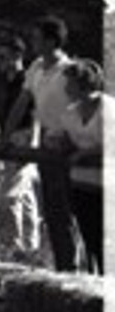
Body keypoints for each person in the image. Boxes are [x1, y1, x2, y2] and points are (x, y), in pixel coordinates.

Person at [4, 16, 77, 271]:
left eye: (37, 38)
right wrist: (5, 135)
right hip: (46, 143)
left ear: (51, 40)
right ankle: (62, 269)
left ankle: (75, 270)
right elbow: (22, 102)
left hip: (69, 143)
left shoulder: (69, 70)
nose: (33, 42)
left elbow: (78, 108)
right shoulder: (35, 67)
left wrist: (67, 138)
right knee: (53, 213)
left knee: (67, 212)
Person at [0, 35, 41, 264]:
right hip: (12, 137)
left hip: (25, 136)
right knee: (24, 195)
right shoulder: (7, 82)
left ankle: (15, 249)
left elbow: (37, 111)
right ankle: (30, 247)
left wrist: (32, 140)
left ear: (18, 55)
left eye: (5, 56)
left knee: (8, 198)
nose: (1, 61)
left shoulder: (27, 79)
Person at [58, 59, 109, 274]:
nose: (66, 88)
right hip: (80, 185)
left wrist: (83, 155)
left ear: (82, 84)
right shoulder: (69, 113)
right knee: (90, 241)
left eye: (70, 83)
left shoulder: (109, 110)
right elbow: (68, 144)